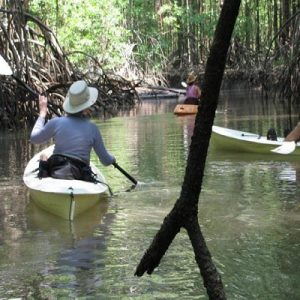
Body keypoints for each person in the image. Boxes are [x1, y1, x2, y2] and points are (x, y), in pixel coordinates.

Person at [30, 80, 116, 181]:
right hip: (80, 173)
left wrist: (42, 113)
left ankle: (45, 172)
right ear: (86, 107)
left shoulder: (56, 122)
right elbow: (106, 160)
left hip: (56, 168)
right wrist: (113, 159)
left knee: (43, 156)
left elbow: (34, 138)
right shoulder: (93, 128)